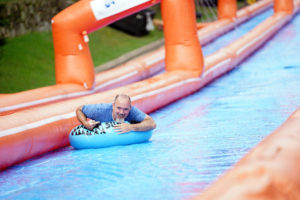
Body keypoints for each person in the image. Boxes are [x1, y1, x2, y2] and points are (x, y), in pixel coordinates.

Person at [76, 94, 156, 134]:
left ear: (130, 108)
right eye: (119, 108)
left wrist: (131, 127)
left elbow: (152, 123)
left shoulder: (132, 111)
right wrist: (85, 123)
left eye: (125, 109)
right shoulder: (100, 110)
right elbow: (79, 109)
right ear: (113, 106)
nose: (121, 112)